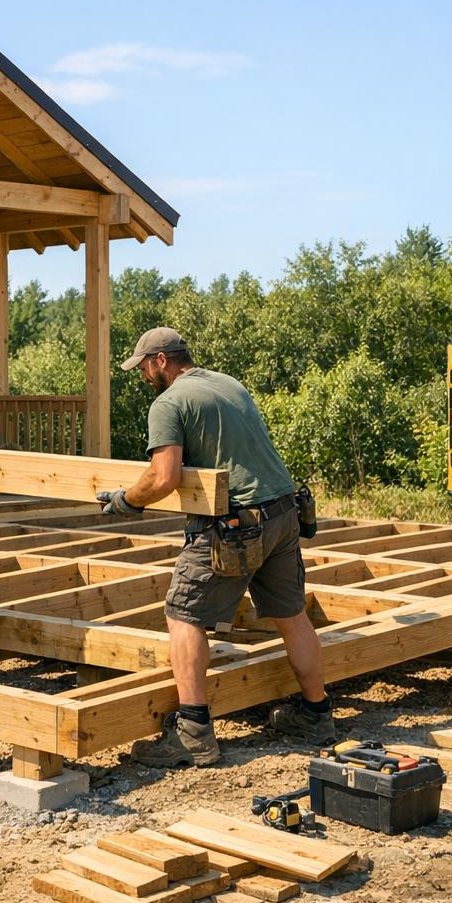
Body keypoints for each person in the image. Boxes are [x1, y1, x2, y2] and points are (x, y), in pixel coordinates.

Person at [97, 327, 334, 768]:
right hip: (283, 513)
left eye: (144, 366)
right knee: (291, 613)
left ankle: (193, 733)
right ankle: (316, 714)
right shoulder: (228, 383)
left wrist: (126, 500)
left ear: (162, 360)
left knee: (184, 614)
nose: (143, 375)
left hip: (236, 525)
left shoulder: (169, 402)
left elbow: (163, 477)